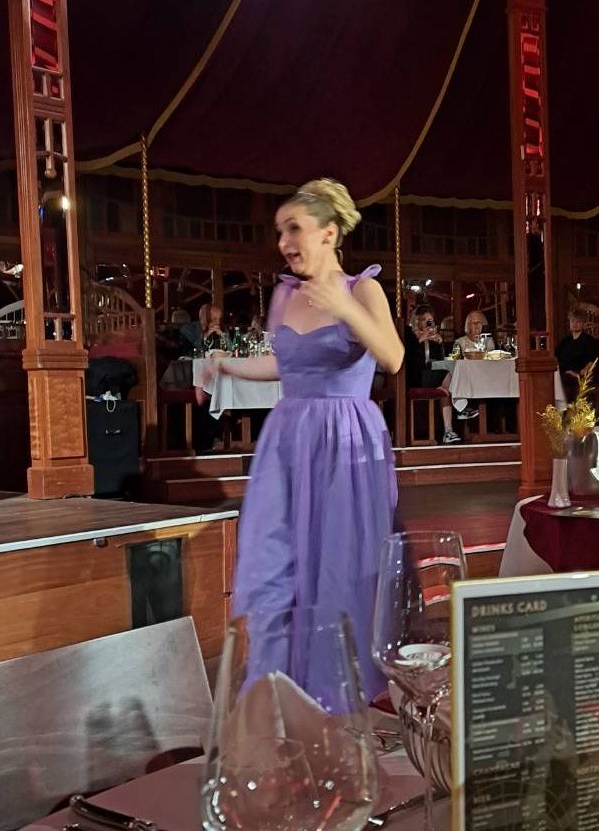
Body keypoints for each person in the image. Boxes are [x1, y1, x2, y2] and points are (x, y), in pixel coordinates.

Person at [205, 177, 404, 699]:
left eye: (294, 228)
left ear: (328, 232)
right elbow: (286, 363)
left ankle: (337, 694)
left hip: (346, 444)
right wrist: (226, 365)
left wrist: (344, 308)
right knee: (276, 559)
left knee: (339, 564)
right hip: (288, 442)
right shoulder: (284, 294)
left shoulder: (362, 289)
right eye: (279, 231)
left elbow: (393, 356)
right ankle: (276, 689)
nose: (284, 241)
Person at [404, 304, 465, 441]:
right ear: (417, 321)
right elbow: (407, 356)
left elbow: (439, 361)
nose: (427, 323)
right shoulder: (409, 335)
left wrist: (439, 343)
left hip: (430, 375)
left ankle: (448, 431)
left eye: (430, 320)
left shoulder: (432, 339)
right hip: (414, 376)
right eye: (424, 319)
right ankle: (461, 406)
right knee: (446, 376)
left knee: (446, 387)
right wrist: (421, 338)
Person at [555, 310, 599, 401]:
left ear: (583, 324)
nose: (574, 324)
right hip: (563, 374)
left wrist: (578, 374)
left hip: (579, 375)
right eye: (572, 321)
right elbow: (556, 357)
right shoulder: (565, 341)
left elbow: (592, 361)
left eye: (578, 321)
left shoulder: (589, 341)